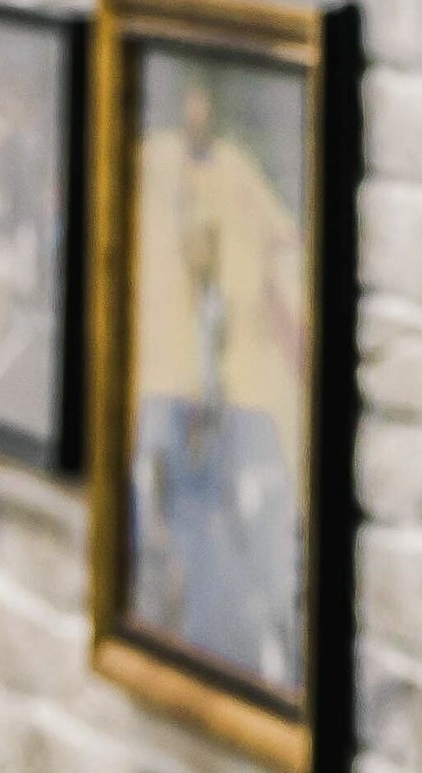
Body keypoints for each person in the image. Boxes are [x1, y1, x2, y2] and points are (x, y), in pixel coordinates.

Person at [128, 73, 306, 694]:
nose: (196, 108)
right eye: (190, 98)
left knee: (224, 532)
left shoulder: (232, 172)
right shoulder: (161, 161)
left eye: (206, 97)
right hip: (174, 384)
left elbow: (266, 270)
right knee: (172, 517)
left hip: (221, 392)